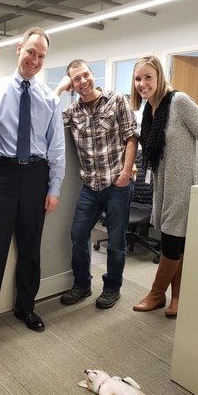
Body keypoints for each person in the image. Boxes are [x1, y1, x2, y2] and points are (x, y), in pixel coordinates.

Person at [0, 27, 65, 343]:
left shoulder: (50, 98)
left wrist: (54, 188)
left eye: (41, 55)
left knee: (30, 248)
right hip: (4, 176)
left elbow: (56, 148)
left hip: (37, 177)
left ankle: (26, 308)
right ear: (18, 48)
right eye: (30, 51)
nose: (34, 59)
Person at [131, 55, 198, 316]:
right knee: (180, 244)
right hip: (163, 184)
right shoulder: (150, 110)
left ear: (159, 76)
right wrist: (197, 161)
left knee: (171, 242)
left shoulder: (179, 101)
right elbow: (177, 144)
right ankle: (177, 298)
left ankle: (156, 294)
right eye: (138, 78)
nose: (142, 83)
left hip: (183, 185)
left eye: (148, 77)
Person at [55, 59, 138, 310]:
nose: (82, 82)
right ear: (72, 84)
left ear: (93, 74)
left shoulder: (117, 100)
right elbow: (44, 115)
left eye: (85, 75)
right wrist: (59, 90)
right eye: (76, 79)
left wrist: (125, 172)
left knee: (115, 241)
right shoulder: (72, 111)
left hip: (117, 184)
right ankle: (82, 284)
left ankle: (112, 288)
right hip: (90, 186)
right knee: (78, 234)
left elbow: (131, 137)